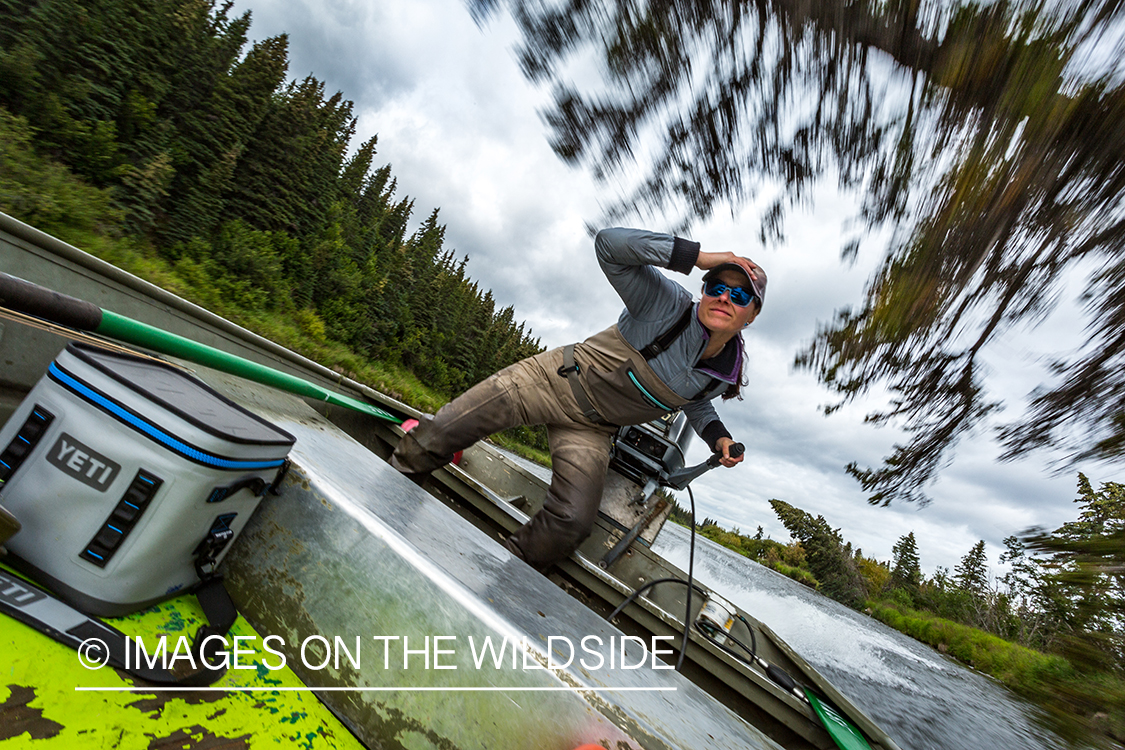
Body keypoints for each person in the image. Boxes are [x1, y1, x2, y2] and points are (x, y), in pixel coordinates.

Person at [390, 227, 766, 570]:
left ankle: (504, 575)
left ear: (751, 315)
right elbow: (609, 245)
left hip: (593, 430)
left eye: (739, 295)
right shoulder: (664, 302)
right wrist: (697, 257)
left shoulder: (722, 375)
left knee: (571, 522)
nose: (723, 298)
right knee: (444, 429)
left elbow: (695, 403)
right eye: (715, 287)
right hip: (551, 382)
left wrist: (720, 439)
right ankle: (388, 496)